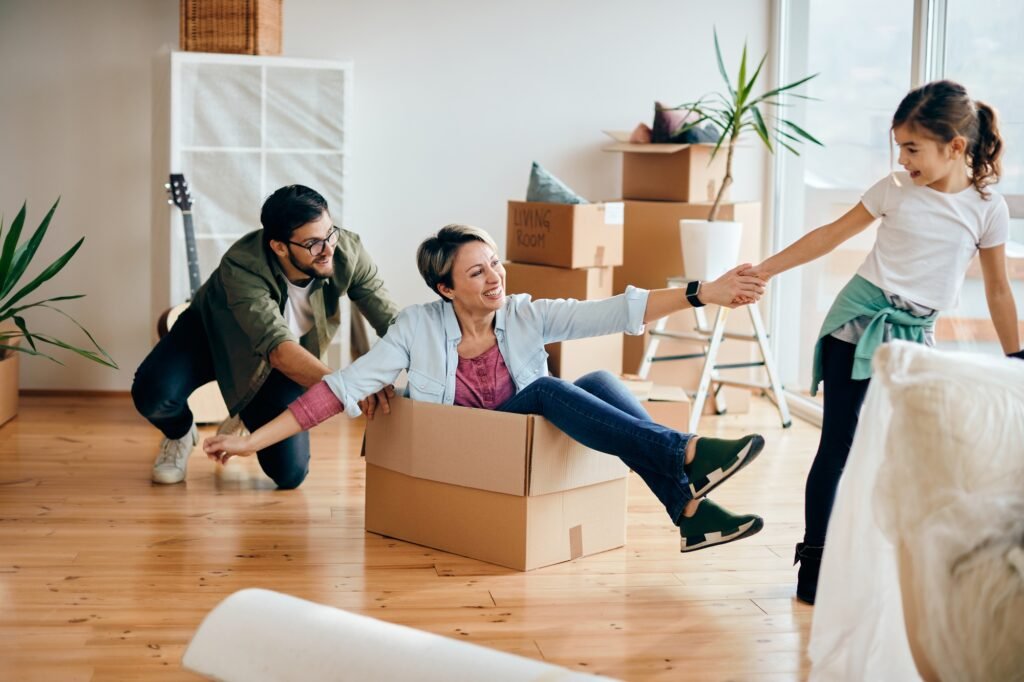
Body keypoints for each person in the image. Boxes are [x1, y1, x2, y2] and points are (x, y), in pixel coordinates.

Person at [204, 224, 770, 552]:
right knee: (546, 391)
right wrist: (251, 442)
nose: (495, 277)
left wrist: (702, 292)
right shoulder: (415, 328)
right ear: (445, 288)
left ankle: (687, 509)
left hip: (520, 446)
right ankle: (683, 455)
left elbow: (613, 311)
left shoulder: (524, 313)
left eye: (495, 264)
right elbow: (339, 389)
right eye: (477, 272)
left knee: (598, 379)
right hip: (466, 451)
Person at [742, 80, 1022, 603]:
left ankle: (903, 564)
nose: (902, 159)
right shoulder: (895, 188)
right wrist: (764, 271)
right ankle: (815, 564)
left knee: (919, 448)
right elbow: (829, 235)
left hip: (915, 335)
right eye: (899, 147)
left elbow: (999, 289)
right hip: (858, 322)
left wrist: (1016, 357)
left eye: (912, 148)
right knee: (840, 443)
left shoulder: (988, 207)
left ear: (954, 146)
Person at [132, 185, 399, 489]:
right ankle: (179, 434)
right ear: (279, 247)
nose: (328, 249)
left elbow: (392, 323)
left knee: (290, 475)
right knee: (152, 394)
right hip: (210, 335)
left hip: (279, 362)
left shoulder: (346, 251)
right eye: (313, 243)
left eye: (330, 233)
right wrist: (347, 387)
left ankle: (244, 411)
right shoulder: (242, 265)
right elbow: (278, 348)